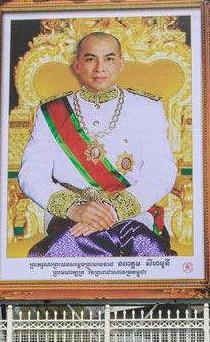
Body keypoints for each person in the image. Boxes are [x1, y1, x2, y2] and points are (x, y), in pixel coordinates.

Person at [18, 31, 177, 258]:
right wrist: (75, 209)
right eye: (91, 59)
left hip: (132, 216)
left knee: (144, 249)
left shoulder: (147, 108)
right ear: (77, 65)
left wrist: (111, 211)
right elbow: (31, 175)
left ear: (121, 64)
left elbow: (161, 173)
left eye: (109, 59)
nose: (100, 67)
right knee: (70, 247)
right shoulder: (52, 112)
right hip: (70, 218)